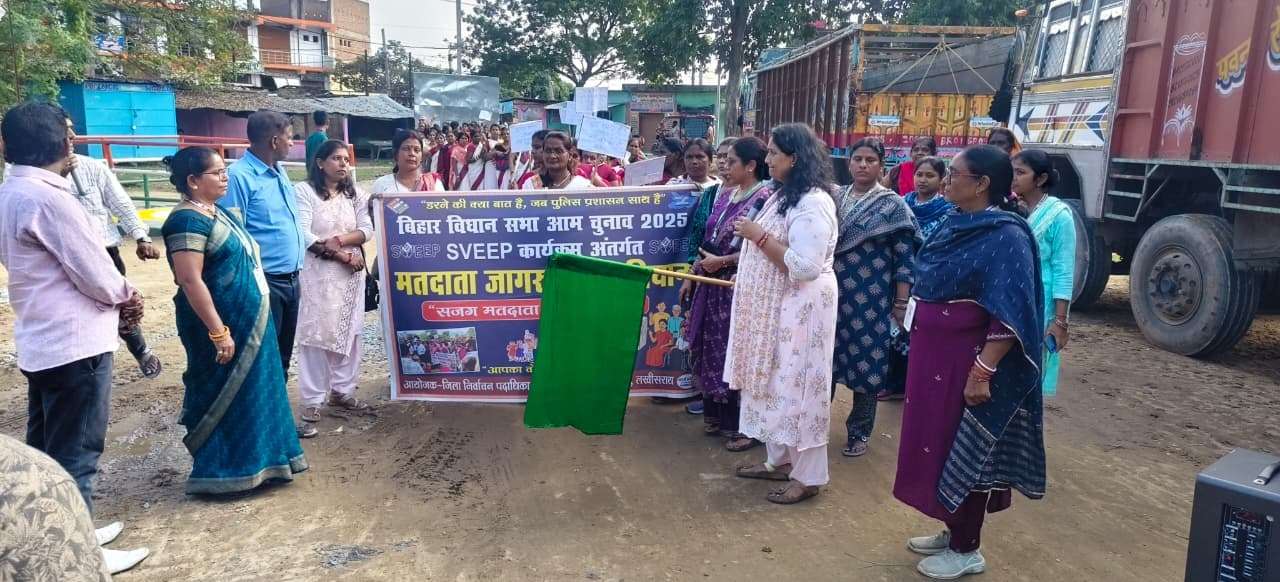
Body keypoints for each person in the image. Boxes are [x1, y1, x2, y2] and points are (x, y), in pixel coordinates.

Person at [0, 101, 150, 574]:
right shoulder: (50, 199)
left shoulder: (12, 190)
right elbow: (95, 272)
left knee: (45, 450)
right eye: (69, 134)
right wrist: (127, 295)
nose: (73, 142)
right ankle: (79, 555)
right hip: (75, 344)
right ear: (61, 142)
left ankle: (64, 528)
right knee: (77, 452)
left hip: (43, 341)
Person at [894, 145, 1045, 580]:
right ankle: (951, 526)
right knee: (934, 442)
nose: (946, 180)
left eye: (955, 174)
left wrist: (984, 370)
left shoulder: (1006, 235)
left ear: (981, 184)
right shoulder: (954, 222)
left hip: (968, 361)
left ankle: (967, 548)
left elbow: (1011, 310)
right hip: (932, 356)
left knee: (965, 448)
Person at [161, 146, 313, 494]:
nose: (225, 177)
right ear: (193, 181)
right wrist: (218, 331)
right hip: (219, 326)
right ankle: (225, 471)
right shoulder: (186, 220)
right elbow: (190, 280)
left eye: (224, 171)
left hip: (251, 321)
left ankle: (265, 463)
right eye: (217, 173)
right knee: (226, 395)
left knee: (257, 391)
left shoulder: (217, 212)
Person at [727, 123, 839, 505]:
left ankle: (809, 477)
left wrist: (757, 235)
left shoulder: (813, 202)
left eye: (774, 153)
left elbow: (805, 267)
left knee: (799, 390)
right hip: (780, 308)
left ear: (795, 158)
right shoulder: (784, 194)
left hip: (804, 310)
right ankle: (778, 460)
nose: (768, 159)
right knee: (775, 383)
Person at [830, 138, 919, 457]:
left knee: (867, 364)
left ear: (882, 165)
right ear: (849, 162)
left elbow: (904, 259)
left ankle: (859, 433)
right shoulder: (835, 197)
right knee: (823, 361)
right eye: (857, 159)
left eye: (870, 160)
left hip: (871, 300)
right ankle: (814, 425)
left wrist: (901, 303)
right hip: (831, 296)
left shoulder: (893, 205)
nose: (863, 165)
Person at [682, 137, 773, 448]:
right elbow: (707, 239)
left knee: (734, 352)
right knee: (709, 348)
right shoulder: (725, 194)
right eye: (722, 159)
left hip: (737, 287)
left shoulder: (764, 198)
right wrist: (693, 274)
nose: (724, 164)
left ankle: (739, 424)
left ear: (750, 166)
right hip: (710, 284)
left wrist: (723, 262)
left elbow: (762, 249)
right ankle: (715, 414)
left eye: (731, 160)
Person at [64, 117, 165, 379]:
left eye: (72, 129)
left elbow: (119, 202)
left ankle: (141, 351)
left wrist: (141, 237)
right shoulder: (31, 179)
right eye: (65, 131)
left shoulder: (91, 167)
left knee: (121, 304)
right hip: (65, 258)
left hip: (104, 252)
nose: (73, 136)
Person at [294, 140, 374, 431]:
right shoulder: (304, 192)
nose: (343, 164)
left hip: (350, 275)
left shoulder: (355, 194)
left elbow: (366, 229)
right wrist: (339, 255)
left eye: (346, 159)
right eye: (336, 159)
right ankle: (312, 400)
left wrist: (340, 240)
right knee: (315, 334)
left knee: (349, 333)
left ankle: (342, 391)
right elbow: (303, 233)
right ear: (320, 163)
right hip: (317, 272)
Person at [219, 110, 306, 375]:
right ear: (274, 141)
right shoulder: (239, 177)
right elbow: (233, 235)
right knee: (262, 356)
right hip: (264, 282)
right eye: (289, 137)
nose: (292, 143)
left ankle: (278, 401)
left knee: (282, 355)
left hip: (292, 279)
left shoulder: (278, 171)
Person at [1013, 149, 1075, 396]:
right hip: (1012, 296)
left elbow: (1063, 270)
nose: (1014, 178)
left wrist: (1059, 321)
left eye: (1020, 172)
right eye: (1012, 172)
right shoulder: (1012, 209)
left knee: (1031, 367)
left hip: (1042, 302)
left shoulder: (1059, 216)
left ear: (1040, 179)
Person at [372, 129, 444, 194]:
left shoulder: (434, 184)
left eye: (417, 150)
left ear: (421, 157)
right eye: (406, 149)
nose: (412, 154)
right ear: (396, 154)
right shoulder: (382, 185)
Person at [521, 131, 593, 190]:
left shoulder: (583, 186)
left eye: (558, 151)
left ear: (570, 155)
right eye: (548, 151)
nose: (552, 156)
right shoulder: (531, 184)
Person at [904, 157, 954, 241]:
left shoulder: (948, 208)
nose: (922, 180)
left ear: (941, 178)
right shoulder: (902, 203)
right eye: (919, 175)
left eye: (930, 176)